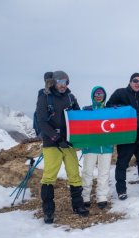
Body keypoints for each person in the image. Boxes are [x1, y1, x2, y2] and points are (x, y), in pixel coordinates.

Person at [36, 70, 89, 224]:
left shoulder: (70, 97)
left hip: (69, 142)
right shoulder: (44, 97)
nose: (63, 85)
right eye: (60, 81)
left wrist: (87, 113)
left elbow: (78, 116)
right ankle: (48, 211)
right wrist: (56, 138)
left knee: (74, 174)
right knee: (49, 177)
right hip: (52, 143)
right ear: (53, 82)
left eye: (65, 81)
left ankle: (78, 206)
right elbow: (42, 122)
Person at [106, 73, 139, 199]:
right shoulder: (120, 93)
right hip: (126, 135)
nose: (137, 83)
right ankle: (121, 190)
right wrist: (125, 110)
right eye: (135, 81)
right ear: (130, 81)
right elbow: (109, 106)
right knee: (122, 163)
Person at [81, 86, 114, 209]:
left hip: (106, 147)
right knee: (87, 172)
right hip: (90, 147)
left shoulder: (109, 111)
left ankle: (102, 197)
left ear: (104, 96)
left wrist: (116, 113)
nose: (99, 96)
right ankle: (85, 196)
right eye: (96, 94)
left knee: (104, 173)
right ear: (93, 96)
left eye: (101, 94)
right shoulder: (87, 110)